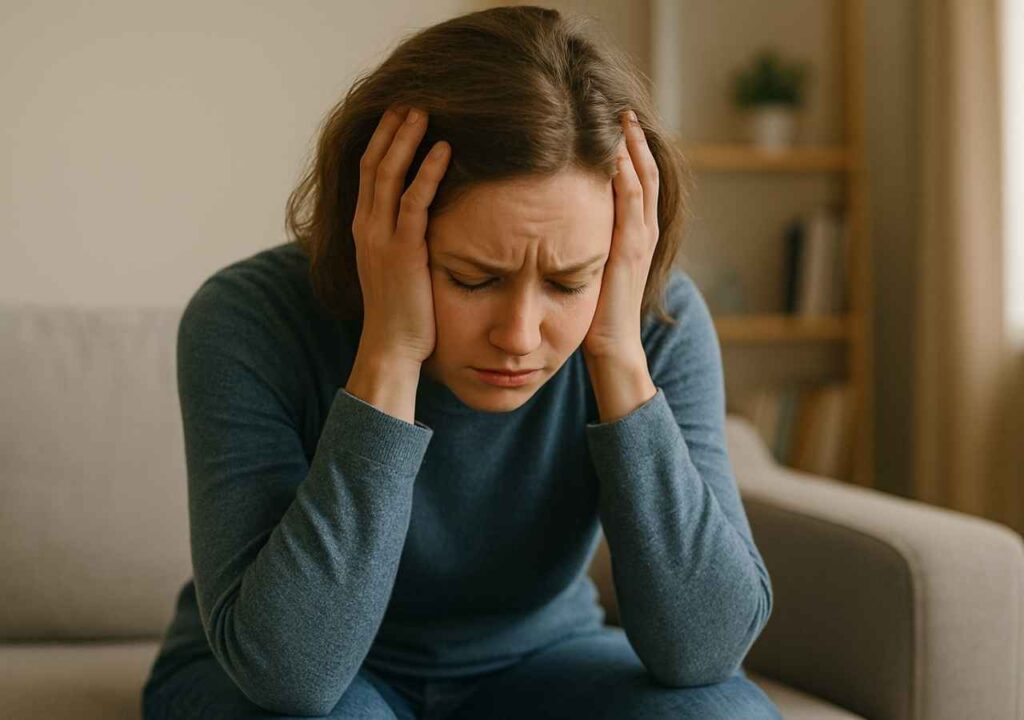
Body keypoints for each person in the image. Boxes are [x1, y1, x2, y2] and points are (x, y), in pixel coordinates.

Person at [141, 5, 782, 719]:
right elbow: (292, 674)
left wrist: (618, 356)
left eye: (569, 282)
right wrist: (389, 353)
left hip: (540, 661)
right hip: (272, 675)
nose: (518, 333)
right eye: (473, 279)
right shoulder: (246, 320)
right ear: (381, 230)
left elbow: (704, 653)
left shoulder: (653, 322)